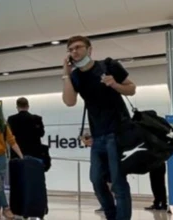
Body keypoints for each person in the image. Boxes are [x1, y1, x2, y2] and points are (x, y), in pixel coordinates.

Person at [62, 35, 136, 220]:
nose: (74, 52)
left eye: (78, 47)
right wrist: (66, 73)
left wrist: (115, 84)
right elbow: (69, 101)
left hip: (117, 132)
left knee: (118, 183)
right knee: (96, 180)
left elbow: (132, 88)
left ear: (89, 49)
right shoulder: (76, 76)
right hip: (97, 136)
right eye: (71, 50)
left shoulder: (109, 65)